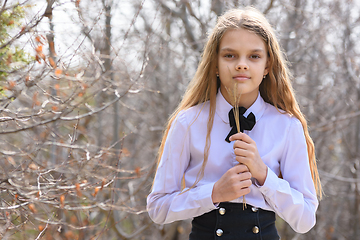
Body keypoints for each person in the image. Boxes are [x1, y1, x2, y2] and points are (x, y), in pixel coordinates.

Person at [147, 6, 322, 240]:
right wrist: (213, 193)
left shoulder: (287, 126)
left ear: (267, 65)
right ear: (216, 63)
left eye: (254, 56)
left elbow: (305, 219)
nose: (241, 64)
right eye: (230, 55)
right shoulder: (188, 122)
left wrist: (263, 174)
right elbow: (158, 208)